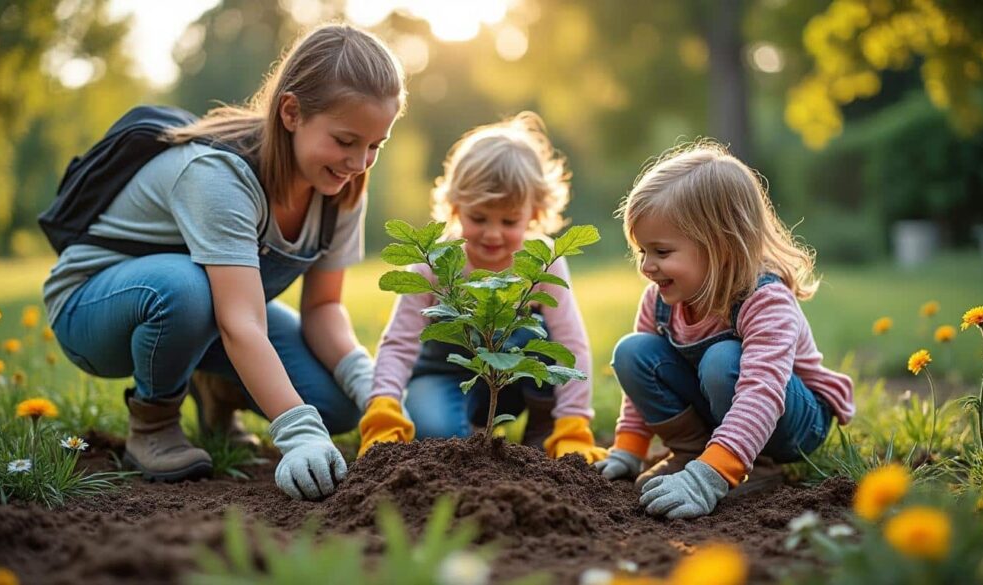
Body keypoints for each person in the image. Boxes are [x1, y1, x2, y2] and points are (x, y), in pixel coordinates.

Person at [42, 24, 405, 500]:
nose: (360, 162)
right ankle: (154, 423)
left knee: (334, 406)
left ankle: (216, 392)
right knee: (185, 289)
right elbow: (241, 322)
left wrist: (370, 386)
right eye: (345, 140)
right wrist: (296, 432)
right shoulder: (218, 174)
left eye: (375, 145)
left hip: (214, 312)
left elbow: (322, 310)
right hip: (96, 307)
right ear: (291, 112)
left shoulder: (341, 186)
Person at [594, 141, 854, 519]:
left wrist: (709, 479)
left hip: (790, 422)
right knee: (634, 352)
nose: (647, 267)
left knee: (722, 359)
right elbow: (638, 391)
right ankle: (692, 452)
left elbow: (762, 393)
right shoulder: (660, 299)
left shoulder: (765, 300)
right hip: (725, 407)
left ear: (722, 247)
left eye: (662, 252)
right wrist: (629, 449)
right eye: (641, 252)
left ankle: (751, 465)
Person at [356, 112, 607, 463]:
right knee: (433, 432)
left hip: (515, 378)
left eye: (508, 221)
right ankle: (471, 433)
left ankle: (545, 425)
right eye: (478, 218)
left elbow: (571, 345)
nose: (492, 233)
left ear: (534, 213)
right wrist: (383, 411)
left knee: (542, 341)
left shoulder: (542, 260)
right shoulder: (437, 263)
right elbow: (399, 344)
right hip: (442, 374)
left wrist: (574, 424)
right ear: (456, 206)